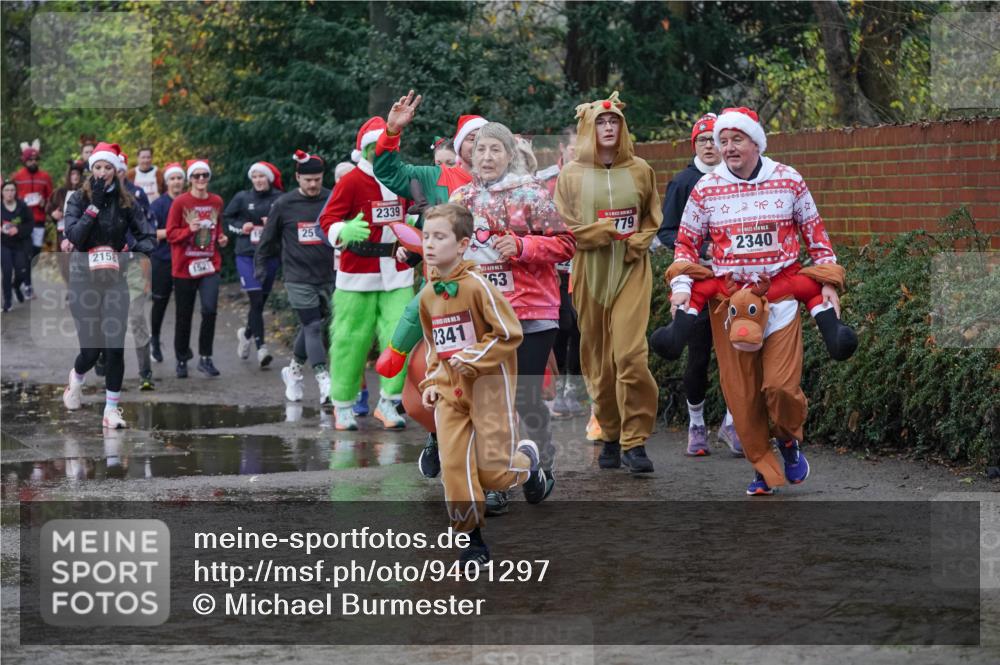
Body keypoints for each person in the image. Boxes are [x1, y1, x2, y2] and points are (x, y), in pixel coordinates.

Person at [655, 107, 854, 495]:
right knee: (743, 401)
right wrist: (681, 286)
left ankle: (789, 440)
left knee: (779, 388)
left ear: (756, 143)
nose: (727, 148)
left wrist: (828, 281)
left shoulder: (789, 180)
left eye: (736, 140)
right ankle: (764, 469)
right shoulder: (706, 188)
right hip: (730, 304)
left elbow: (817, 238)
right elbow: (685, 244)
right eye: (721, 141)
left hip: (779, 298)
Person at [448, 121, 575, 514]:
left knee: (523, 398)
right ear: (470, 155)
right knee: (489, 402)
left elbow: (566, 244)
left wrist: (522, 245)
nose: (486, 157)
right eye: (481, 149)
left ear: (509, 155)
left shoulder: (530, 195)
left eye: (495, 150)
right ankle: (499, 480)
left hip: (530, 312)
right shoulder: (460, 199)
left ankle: (542, 463)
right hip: (482, 317)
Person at [417, 202, 550, 567]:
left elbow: (509, 333)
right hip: (449, 392)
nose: (429, 244)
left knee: (494, 473)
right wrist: (431, 379)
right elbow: (434, 345)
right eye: (426, 236)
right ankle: (473, 543)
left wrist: (473, 357)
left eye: (439, 237)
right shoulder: (427, 295)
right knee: (455, 467)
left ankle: (528, 463)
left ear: (462, 244)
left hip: (488, 387)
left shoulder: (479, 287)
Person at [554, 91, 661, 474]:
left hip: (632, 268)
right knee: (599, 363)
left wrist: (639, 241)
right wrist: (600, 232)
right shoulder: (571, 175)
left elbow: (652, 218)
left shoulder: (641, 170)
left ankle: (635, 441)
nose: (609, 127)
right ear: (588, 128)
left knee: (630, 356)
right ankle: (611, 433)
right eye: (600, 122)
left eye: (614, 121)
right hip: (591, 272)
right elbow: (563, 226)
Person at [652, 113, 743, 457]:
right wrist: (702, 247)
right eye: (703, 140)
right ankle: (696, 424)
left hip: (732, 282)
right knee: (698, 358)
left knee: (737, 355)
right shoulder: (683, 182)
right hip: (694, 283)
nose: (710, 146)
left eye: (715, 140)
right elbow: (666, 232)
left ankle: (734, 423)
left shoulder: (738, 180)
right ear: (695, 145)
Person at [318, 117, 415, 431]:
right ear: (365, 150)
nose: (381, 152)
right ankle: (343, 405)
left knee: (399, 337)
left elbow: (419, 210)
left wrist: (414, 233)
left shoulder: (403, 178)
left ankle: (389, 402)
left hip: (397, 271)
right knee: (350, 339)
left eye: (387, 147)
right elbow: (327, 220)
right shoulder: (351, 181)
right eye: (375, 147)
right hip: (357, 272)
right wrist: (343, 229)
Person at [60, 142, 155, 429]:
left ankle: (111, 410)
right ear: (92, 170)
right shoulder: (77, 198)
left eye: (108, 167)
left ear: (116, 170)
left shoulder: (127, 202)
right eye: (98, 167)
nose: (102, 172)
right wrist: (94, 206)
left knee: (114, 347)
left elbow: (149, 237)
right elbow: (74, 236)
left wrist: (131, 246)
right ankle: (75, 380)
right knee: (92, 351)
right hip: (83, 279)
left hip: (115, 280)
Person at [256, 150, 335, 406]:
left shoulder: (331, 199)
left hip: (328, 275)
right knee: (312, 326)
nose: (313, 185)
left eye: (317, 179)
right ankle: (325, 382)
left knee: (313, 324)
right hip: (297, 275)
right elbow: (267, 239)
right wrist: (260, 266)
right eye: (307, 180)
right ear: (297, 178)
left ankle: (293, 372)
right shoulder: (284, 204)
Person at [536, 125, 587, 420]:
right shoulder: (544, 182)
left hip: (583, 265)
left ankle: (573, 390)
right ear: (561, 151)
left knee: (580, 328)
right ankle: (552, 391)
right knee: (559, 327)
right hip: (553, 269)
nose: (577, 154)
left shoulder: (594, 180)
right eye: (572, 149)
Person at [165, 159, 228, 378]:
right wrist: (187, 231)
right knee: (184, 315)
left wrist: (221, 238)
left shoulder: (216, 201)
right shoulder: (181, 202)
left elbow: (218, 227)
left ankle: (205, 358)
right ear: (190, 179)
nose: (201, 179)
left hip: (209, 265)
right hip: (184, 267)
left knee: (209, 310)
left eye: (205, 176)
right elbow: (171, 234)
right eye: (196, 176)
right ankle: (182, 358)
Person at [225, 160, 283, 368]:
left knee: (259, 302)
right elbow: (227, 219)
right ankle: (261, 348)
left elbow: (288, 224)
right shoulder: (242, 197)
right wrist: (242, 227)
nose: (258, 180)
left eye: (262, 176)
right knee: (256, 298)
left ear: (269, 178)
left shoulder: (279, 198)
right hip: (246, 255)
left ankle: (247, 334)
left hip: (269, 256)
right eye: (255, 176)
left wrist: (274, 224)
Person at [148, 162, 185, 362]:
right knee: (160, 302)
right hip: (163, 259)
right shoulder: (158, 205)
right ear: (167, 182)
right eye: (173, 178)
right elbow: (151, 233)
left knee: (183, 305)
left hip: (186, 260)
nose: (176, 182)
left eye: (179, 178)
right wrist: (175, 233)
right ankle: (154, 339)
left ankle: (181, 350)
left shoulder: (190, 202)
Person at [11, 140, 53, 298]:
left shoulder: (45, 177)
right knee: (26, 253)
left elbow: (51, 198)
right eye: (30, 160)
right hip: (22, 222)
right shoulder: (17, 177)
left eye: (35, 160)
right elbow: (10, 197)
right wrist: (21, 201)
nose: (33, 162)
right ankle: (27, 285)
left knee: (34, 254)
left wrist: (44, 202)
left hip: (39, 221)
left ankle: (19, 278)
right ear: (24, 160)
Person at [1, 180, 33, 312]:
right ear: (2, 192)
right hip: (4, 244)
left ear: (15, 192)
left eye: (12, 190)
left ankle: (16, 286)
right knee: (7, 272)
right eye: (6, 190)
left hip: (20, 244)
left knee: (21, 272)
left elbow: (30, 224)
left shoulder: (22, 206)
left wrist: (18, 230)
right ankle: (7, 301)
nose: (9, 193)